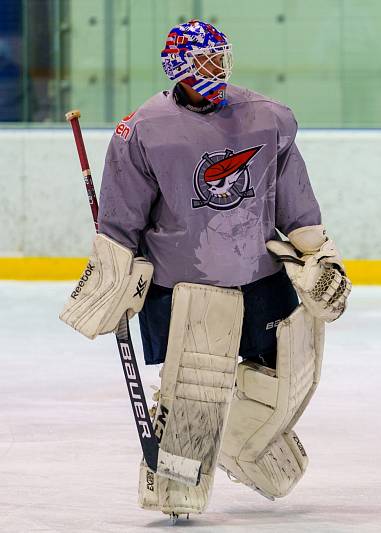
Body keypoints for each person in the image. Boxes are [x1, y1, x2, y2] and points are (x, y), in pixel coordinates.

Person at [60, 19, 351, 519]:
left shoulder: (268, 118)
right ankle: (178, 488)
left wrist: (317, 253)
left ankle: (243, 447)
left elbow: (295, 199)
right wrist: (111, 276)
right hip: (185, 288)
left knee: (288, 382)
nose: (217, 69)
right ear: (177, 67)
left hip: (262, 275)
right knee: (195, 395)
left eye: (221, 58)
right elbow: (121, 221)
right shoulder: (143, 131)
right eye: (204, 61)